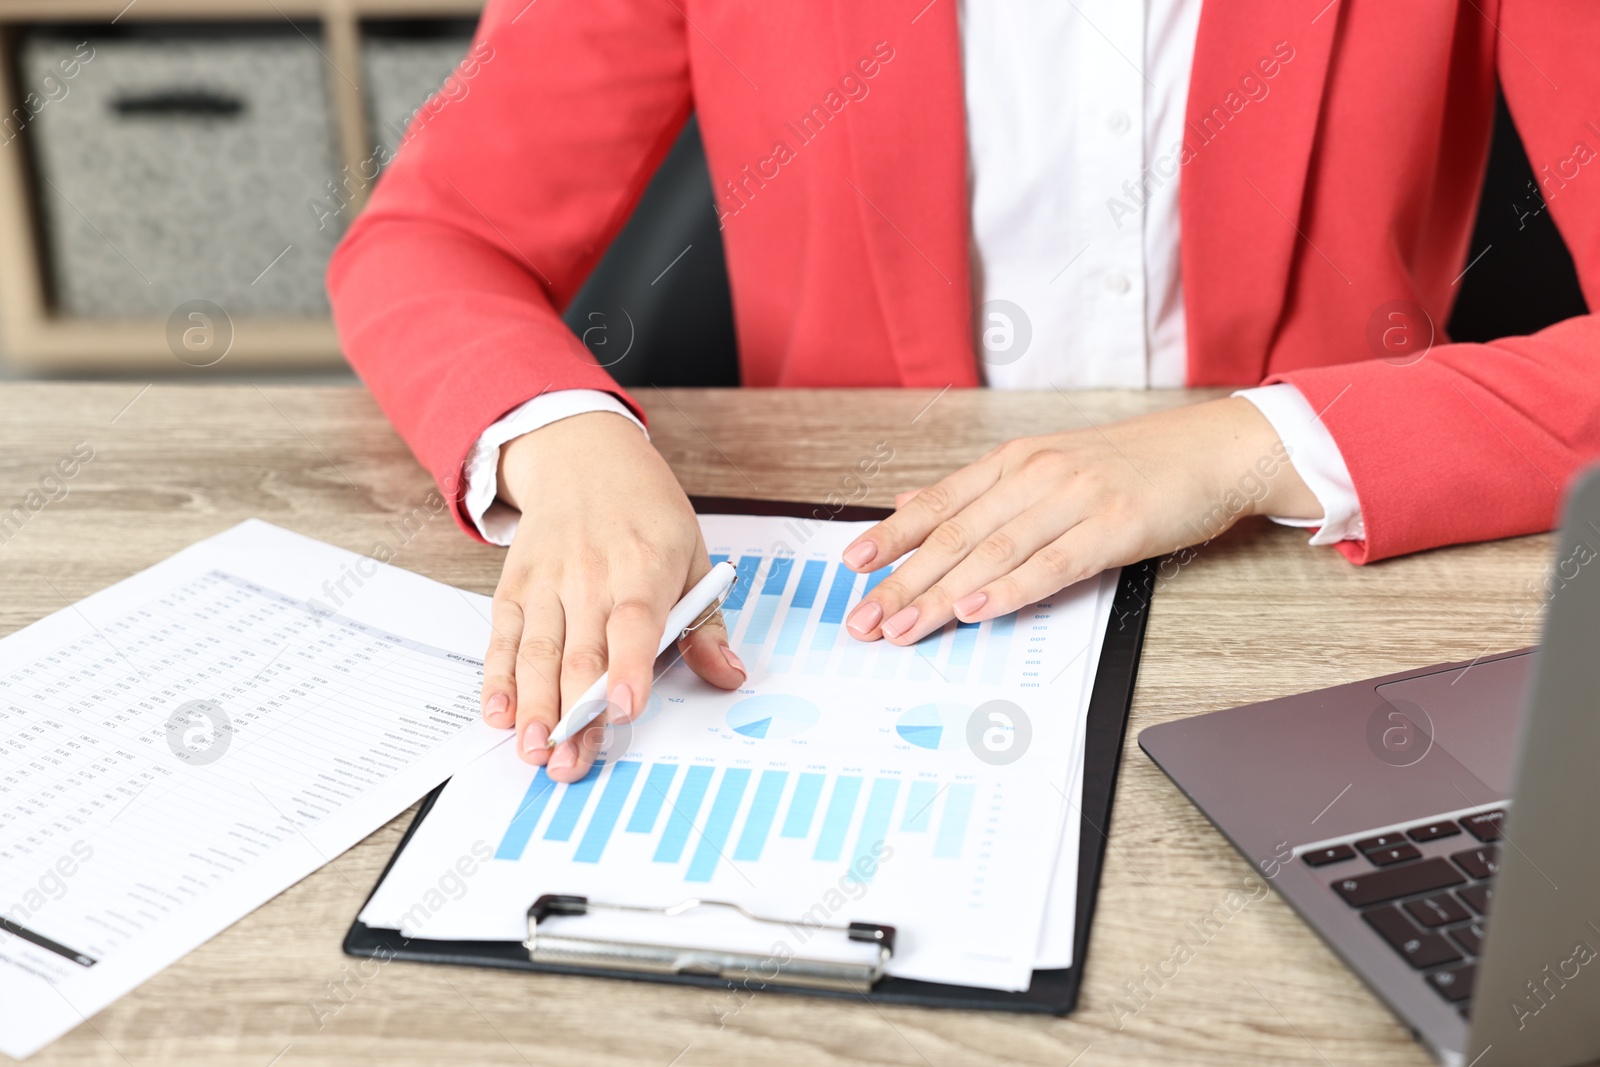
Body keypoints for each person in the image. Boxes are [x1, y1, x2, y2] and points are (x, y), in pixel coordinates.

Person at [328, 0, 1600, 784]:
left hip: (1302, 612)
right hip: (849, 622)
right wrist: (569, 443)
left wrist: (1252, 441)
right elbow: (428, 240)